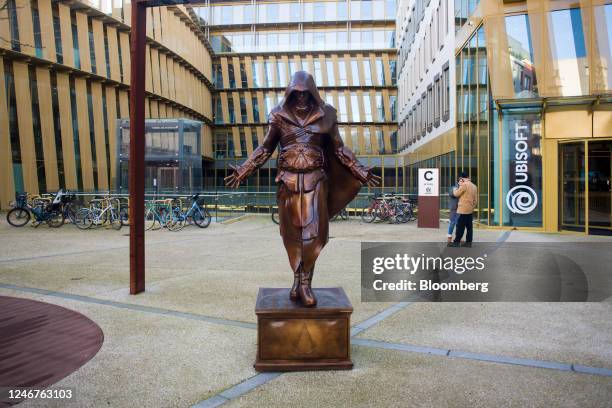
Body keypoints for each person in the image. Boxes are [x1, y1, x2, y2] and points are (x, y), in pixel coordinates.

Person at [225, 71, 380, 306]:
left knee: (313, 235)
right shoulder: (278, 115)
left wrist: (359, 170)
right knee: (291, 235)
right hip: (288, 182)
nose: (301, 98)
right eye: (296, 93)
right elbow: (265, 148)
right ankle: (297, 281)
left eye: (305, 94)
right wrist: (243, 170)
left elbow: (339, 148)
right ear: (290, 93)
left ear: (312, 93)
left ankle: (305, 284)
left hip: (315, 181)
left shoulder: (327, 114)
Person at [449, 172, 477, 247]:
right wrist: (472, 207)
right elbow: (475, 200)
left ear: (461, 178)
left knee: (460, 228)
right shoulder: (474, 186)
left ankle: (456, 242)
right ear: (468, 177)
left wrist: (455, 189)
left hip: (462, 210)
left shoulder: (464, 185)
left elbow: (456, 194)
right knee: (469, 228)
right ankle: (468, 243)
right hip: (470, 210)